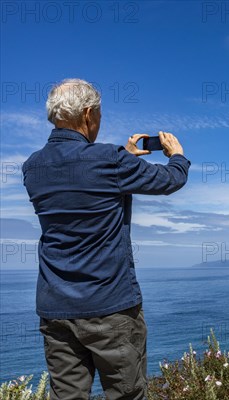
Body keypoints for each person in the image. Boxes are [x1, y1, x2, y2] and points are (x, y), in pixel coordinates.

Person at [22, 78, 191, 400]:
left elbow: (86, 186)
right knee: (126, 394)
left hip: (55, 307)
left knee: (66, 396)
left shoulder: (33, 167)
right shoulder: (109, 160)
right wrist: (177, 154)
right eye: (99, 114)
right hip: (109, 306)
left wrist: (126, 158)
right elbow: (171, 180)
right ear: (88, 113)